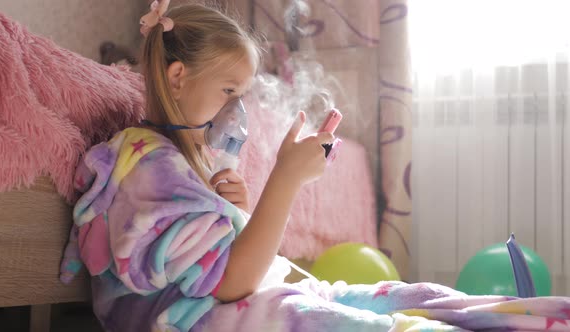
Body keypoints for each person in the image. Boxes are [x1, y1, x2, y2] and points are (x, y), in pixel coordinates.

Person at [60, 3, 570, 332]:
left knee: (396, 296)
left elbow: (216, 260)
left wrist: (228, 209)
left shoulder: (173, 163)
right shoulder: (151, 169)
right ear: (177, 78)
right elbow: (232, 283)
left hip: (231, 298)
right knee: (363, 319)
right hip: (194, 320)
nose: (237, 110)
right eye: (228, 91)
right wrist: (285, 178)